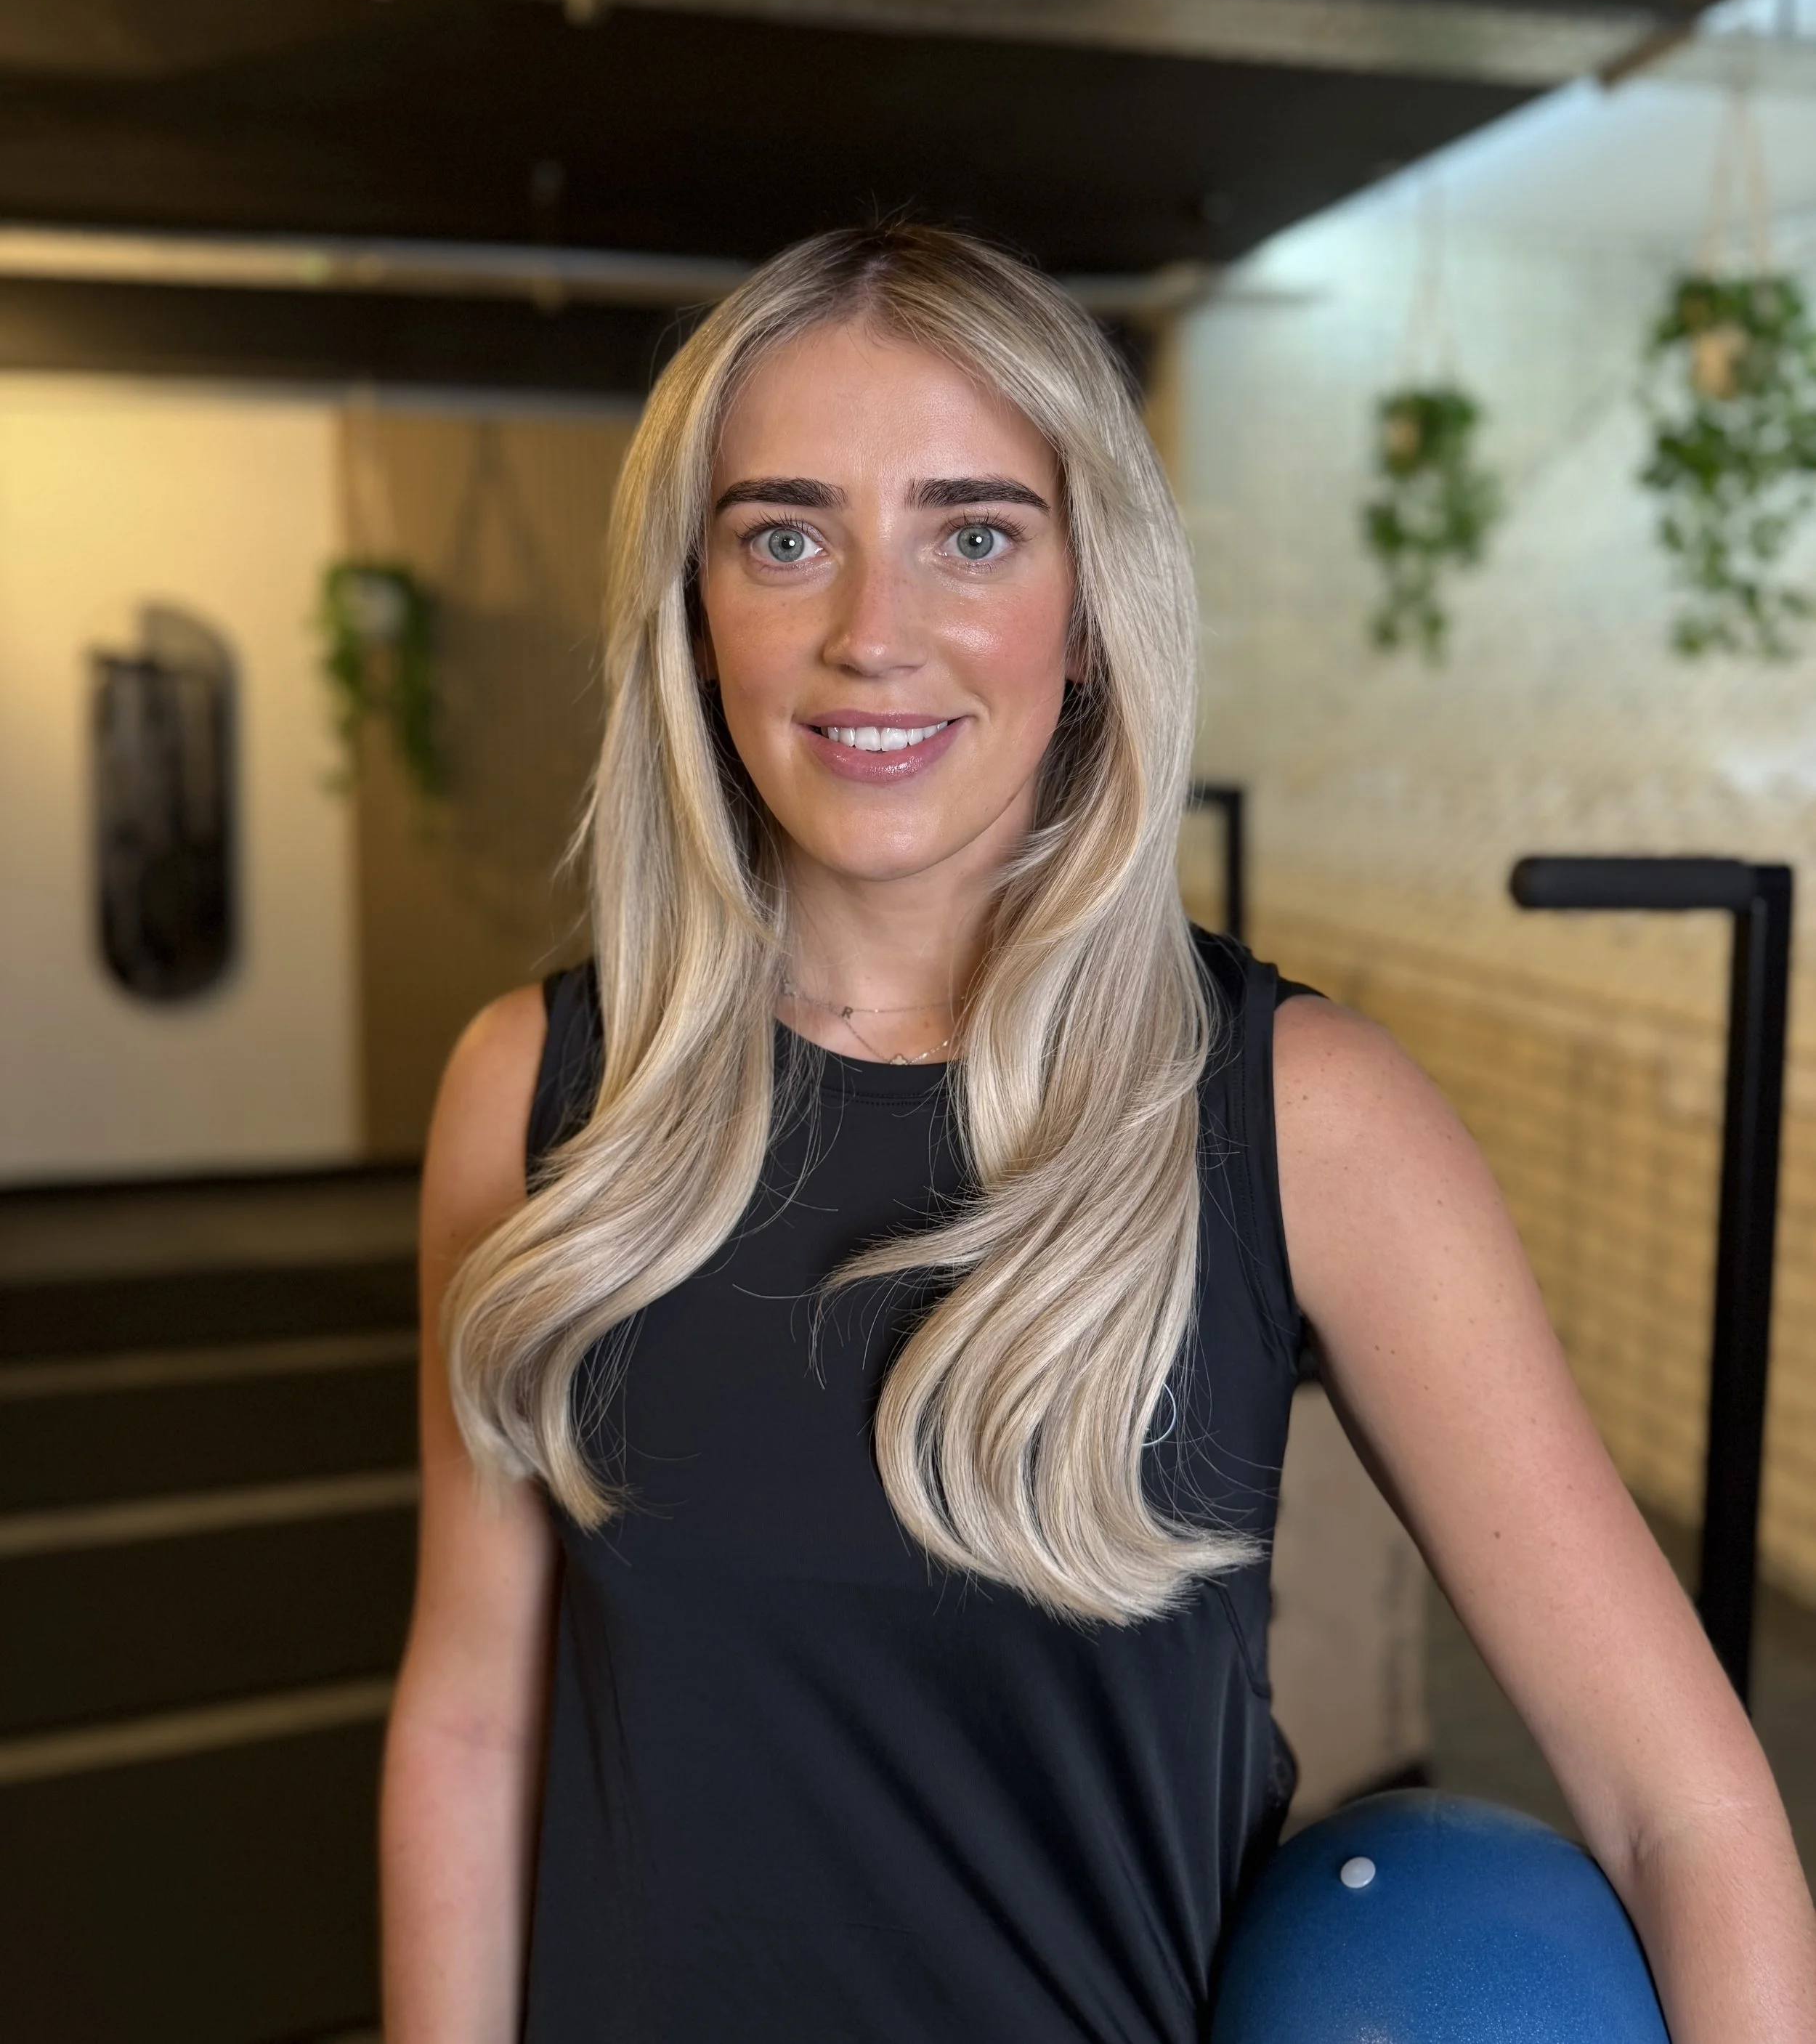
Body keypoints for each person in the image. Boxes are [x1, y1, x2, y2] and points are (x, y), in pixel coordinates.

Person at [380, 223, 1816, 2044]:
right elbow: (469, 1724)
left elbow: (1677, 1805)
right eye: (785, 535)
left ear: (1085, 613)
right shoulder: (531, 1096)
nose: (869, 633)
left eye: (971, 533)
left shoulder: (1301, 1120)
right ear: (693, 609)